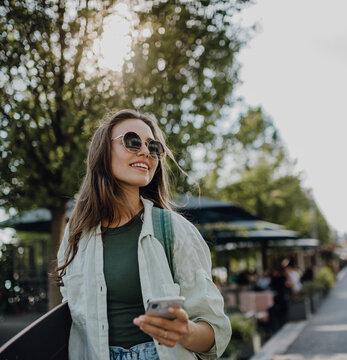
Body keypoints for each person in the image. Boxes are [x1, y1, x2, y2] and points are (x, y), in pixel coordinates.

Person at [56, 110, 231, 360]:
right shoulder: (76, 235)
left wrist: (185, 332)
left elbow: (216, 332)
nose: (146, 152)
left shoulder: (174, 230)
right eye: (132, 141)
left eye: (153, 146)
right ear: (103, 153)